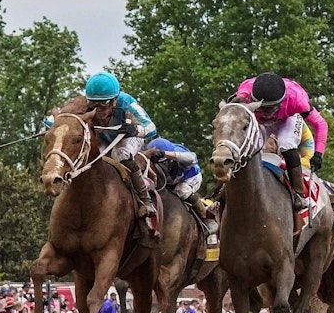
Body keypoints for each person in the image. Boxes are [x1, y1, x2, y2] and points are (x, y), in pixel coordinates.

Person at [46, 71, 158, 217]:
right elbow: (51, 121)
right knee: (88, 157)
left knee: (120, 154)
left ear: (114, 101)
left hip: (129, 136)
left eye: (103, 104)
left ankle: (145, 200)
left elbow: (151, 128)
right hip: (104, 136)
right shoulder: (81, 103)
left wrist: (135, 129)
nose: (97, 110)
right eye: (93, 104)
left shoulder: (127, 102)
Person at [233, 72, 329, 210]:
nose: (266, 113)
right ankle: (221, 192)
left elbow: (321, 124)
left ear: (281, 102)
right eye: (262, 107)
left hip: (287, 119)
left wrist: (319, 153)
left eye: (270, 108)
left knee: (286, 145)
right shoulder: (244, 94)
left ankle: (299, 194)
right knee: (249, 148)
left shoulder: (297, 99)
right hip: (257, 119)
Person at [144, 138, 218, 234]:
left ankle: (207, 218)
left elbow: (193, 158)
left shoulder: (178, 152)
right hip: (172, 182)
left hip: (191, 177)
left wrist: (164, 154)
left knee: (182, 190)